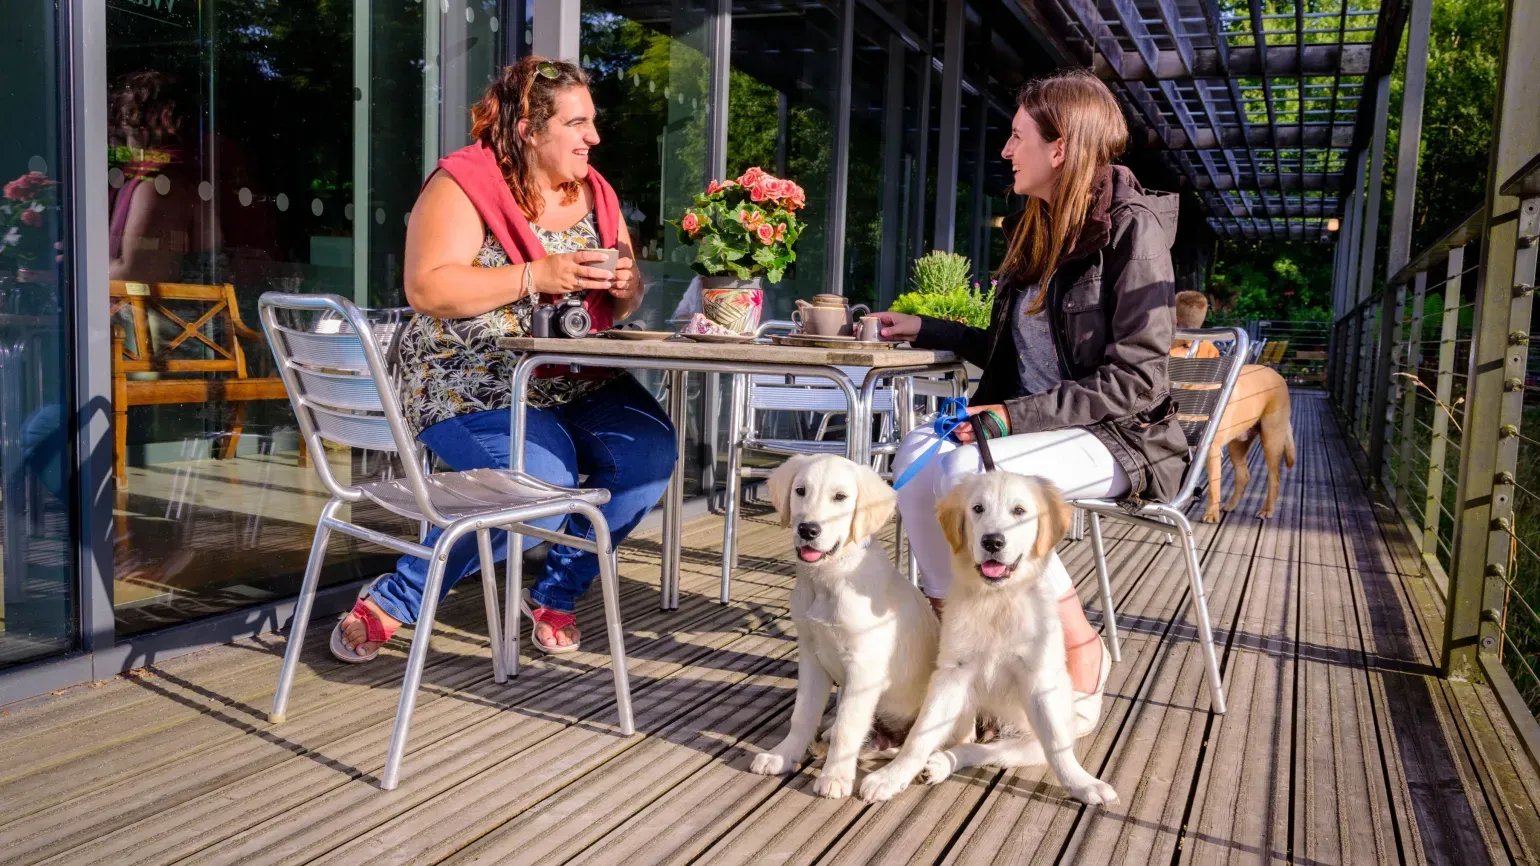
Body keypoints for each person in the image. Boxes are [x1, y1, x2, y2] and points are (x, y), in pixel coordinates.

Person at [876, 69, 1188, 735]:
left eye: (1017, 138)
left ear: (1061, 147)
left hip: (1121, 437)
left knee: (968, 478)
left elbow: (1135, 380)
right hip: (1047, 429)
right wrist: (926, 328)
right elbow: (1012, 351)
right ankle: (954, 656)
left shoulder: (1134, 231)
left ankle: (1081, 649)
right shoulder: (1037, 226)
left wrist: (1010, 417)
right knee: (916, 457)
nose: (1005, 152)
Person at [335, 56, 675, 659]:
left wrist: (625, 288)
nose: (593, 137)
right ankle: (399, 598)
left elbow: (618, 304)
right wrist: (534, 275)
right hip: (467, 380)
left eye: (592, 122)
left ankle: (558, 590)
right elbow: (427, 288)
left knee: (649, 451)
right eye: (577, 124)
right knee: (540, 480)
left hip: (572, 376)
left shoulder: (597, 192)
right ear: (527, 128)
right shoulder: (463, 184)